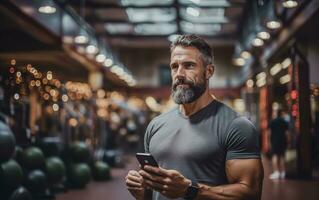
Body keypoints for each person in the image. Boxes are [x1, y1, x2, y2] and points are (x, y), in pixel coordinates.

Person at [125, 34, 264, 200]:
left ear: (209, 71)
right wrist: (142, 192)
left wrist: (190, 190)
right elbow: (153, 192)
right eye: (174, 66)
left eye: (189, 65)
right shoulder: (156, 125)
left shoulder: (237, 126)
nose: (179, 74)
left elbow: (250, 193)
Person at [268, 109, 289, 179]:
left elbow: (269, 133)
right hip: (283, 141)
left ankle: (276, 172)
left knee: (275, 156)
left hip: (275, 141)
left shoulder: (273, 121)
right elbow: (287, 133)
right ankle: (283, 172)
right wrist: (288, 142)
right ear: (281, 114)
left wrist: (269, 142)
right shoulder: (284, 121)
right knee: (282, 156)